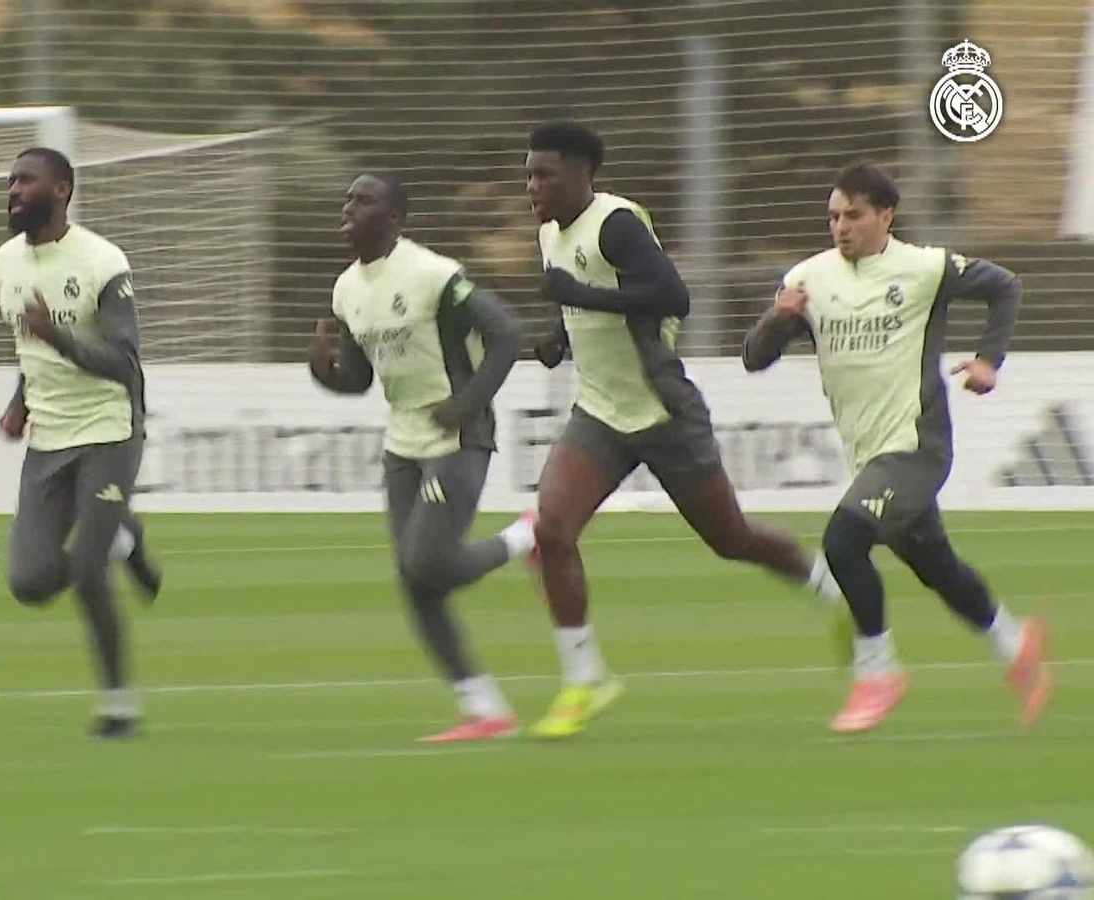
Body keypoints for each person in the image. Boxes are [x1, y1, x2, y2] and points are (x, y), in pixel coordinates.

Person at [523, 120, 843, 739]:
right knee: (552, 531)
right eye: (528, 175)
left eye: (544, 174)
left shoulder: (615, 223)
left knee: (732, 539)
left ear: (581, 174)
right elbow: (591, 298)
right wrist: (559, 336)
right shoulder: (549, 234)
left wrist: (578, 298)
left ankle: (827, 586)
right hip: (600, 413)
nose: (532, 186)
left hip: (663, 412)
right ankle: (585, 680)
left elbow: (672, 296)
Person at [741, 161, 1049, 733]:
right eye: (834, 217)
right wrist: (778, 319)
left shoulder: (925, 268)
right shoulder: (810, 278)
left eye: (854, 215)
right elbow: (754, 358)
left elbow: (1005, 286)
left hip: (915, 445)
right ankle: (1016, 643)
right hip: (868, 453)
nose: (841, 226)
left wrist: (989, 360)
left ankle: (878, 672)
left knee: (843, 540)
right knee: (939, 568)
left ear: (886, 216)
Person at [310, 173, 537, 743]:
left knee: (428, 563)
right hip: (403, 445)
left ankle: (527, 536)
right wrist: (324, 373)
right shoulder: (345, 290)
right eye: (348, 199)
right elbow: (359, 379)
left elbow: (508, 335)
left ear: (394, 218)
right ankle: (486, 711)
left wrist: (465, 404)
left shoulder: (434, 276)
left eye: (364, 200)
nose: (348, 207)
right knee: (415, 580)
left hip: (458, 440)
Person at [0, 146, 161, 740]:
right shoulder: (2, 265)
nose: (13, 190)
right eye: (11, 181)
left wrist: (56, 336)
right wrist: (19, 403)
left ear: (61, 190)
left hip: (109, 432)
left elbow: (125, 364)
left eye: (25, 180)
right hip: (49, 439)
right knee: (30, 583)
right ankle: (123, 538)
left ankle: (119, 705)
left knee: (87, 571)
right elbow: (28, 351)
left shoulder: (102, 262)